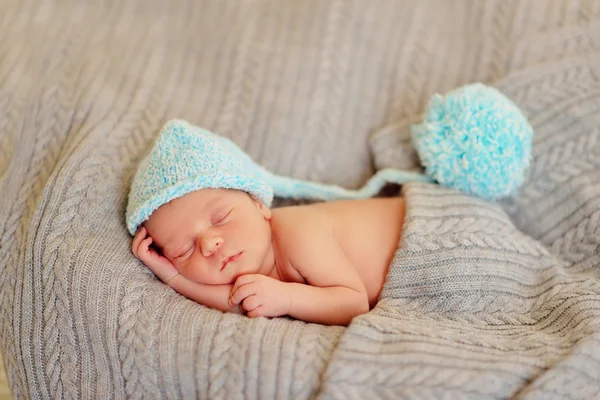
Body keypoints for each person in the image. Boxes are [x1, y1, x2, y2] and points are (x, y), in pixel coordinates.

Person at [126, 119, 404, 326]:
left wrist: (286, 298)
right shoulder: (254, 268)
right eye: (183, 250)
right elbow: (237, 300)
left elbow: (353, 304)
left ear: (260, 206)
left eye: (221, 218)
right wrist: (172, 277)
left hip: (424, 232)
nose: (210, 244)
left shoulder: (298, 233)